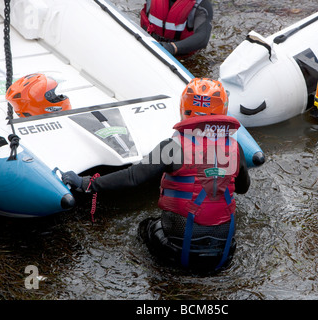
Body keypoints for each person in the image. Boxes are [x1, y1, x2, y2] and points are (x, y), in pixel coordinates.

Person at [62, 78, 250, 273]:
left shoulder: (171, 147)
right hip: (223, 251)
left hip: (176, 249)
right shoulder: (236, 148)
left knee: (146, 226)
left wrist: (88, 183)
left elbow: (133, 177)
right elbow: (243, 188)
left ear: (183, 108)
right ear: (223, 111)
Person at [140, 0, 213, 57]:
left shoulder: (202, 4)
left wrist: (172, 48)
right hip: (148, 44)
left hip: (183, 57)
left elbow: (203, 37)